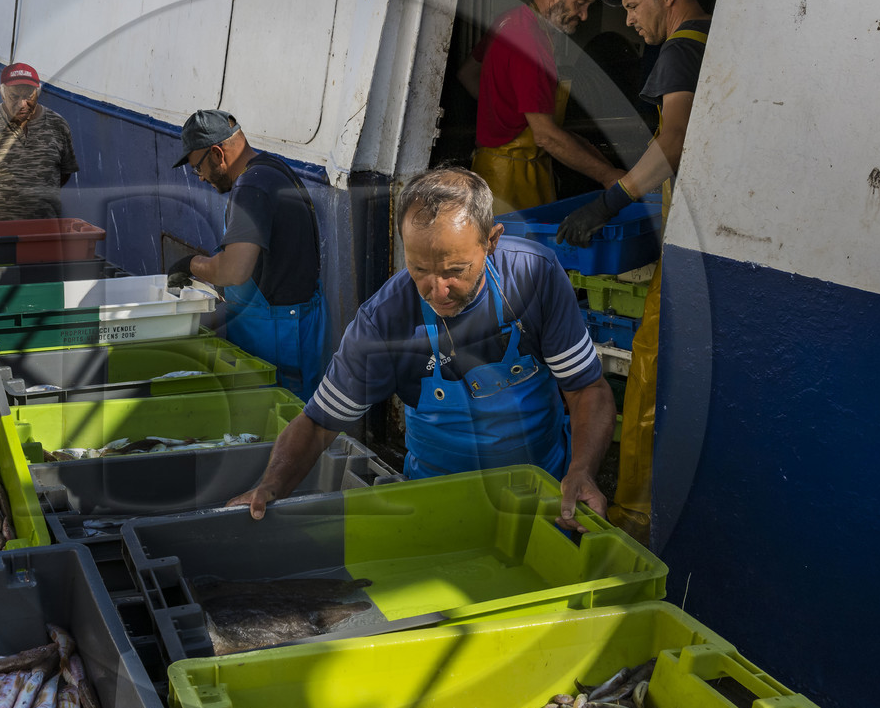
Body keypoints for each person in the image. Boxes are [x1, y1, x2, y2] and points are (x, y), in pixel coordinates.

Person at [229, 167, 616, 526]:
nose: (437, 290)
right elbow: (318, 424)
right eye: (419, 270)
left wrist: (580, 471)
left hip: (543, 501)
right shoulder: (383, 322)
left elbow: (587, 390)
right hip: (435, 505)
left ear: (491, 241)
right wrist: (271, 486)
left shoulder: (535, 277)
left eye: (454, 271)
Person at [556, 0, 711, 543]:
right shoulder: (717, 38)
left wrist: (609, 202)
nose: (627, 19)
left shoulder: (678, 50)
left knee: (649, 363)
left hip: (689, 245)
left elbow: (672, 145)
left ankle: (637, 515)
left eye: (633, 4)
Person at [168, 110, 329, 400]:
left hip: (280, 335)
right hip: (287, 326)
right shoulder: (270, 169)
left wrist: (190, 264)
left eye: (198, 168)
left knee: (284, 421)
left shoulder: (252, 187)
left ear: (217, 154)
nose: (201, 178)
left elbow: (234, 270)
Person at [458, 0, 621, 214]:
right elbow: (545, 135)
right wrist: (607, 176)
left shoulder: (510, 19)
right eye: (580, 3)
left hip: (497, 166)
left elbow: (468, 73)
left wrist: (504, 111)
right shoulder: (530, 40)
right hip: (512, 180)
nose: (585, 15)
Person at [0, 63, 78, 221]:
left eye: (28, 96)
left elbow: (64, 173)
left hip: (45, 228)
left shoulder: (58, 124)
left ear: (37, 93)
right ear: (2, 93)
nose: (23, 104)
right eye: (14, 96)